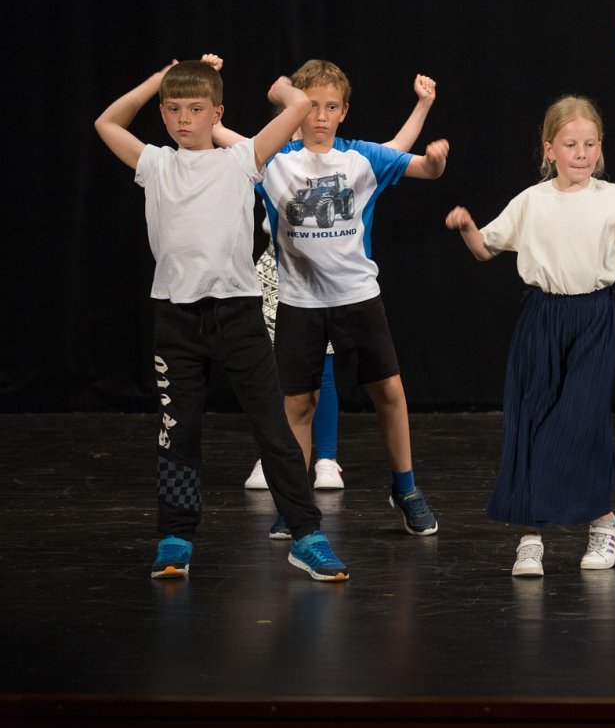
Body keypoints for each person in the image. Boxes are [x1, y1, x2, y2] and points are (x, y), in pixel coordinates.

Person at [94, 56, 349, 581]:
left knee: (273, 429)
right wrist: (158, 79)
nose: (183, 119)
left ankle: (306, 534)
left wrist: (279, 88)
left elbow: (298, 103)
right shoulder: (156, 163)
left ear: (217, 114)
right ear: (162, 113)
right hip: (176, 319)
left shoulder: (242, 159)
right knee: (178, 432)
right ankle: (175, 536)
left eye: (195, 109)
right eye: (173, 109)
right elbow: (107, 122)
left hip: (237, 314)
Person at [446, 96, 615, 576]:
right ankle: (530, 538)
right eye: (570, 144)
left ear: (600, 147)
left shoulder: (613, 198)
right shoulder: (531, 201)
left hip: (592, 318)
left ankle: (603, 523)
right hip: (542, 318)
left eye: (590, 144)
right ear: (549, 149)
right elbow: (485, 249)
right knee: (530, 420)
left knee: (580, 421)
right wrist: (466, 228)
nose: (581, 153)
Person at [218, 59, 449, 537]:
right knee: (297, 405)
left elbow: (423, 168)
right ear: (296, 109)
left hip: (358, 298)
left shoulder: (360, 157)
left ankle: (406, 489)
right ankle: (294, 504)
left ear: (344, 111)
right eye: (311, 106)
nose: (320, 116)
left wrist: (436, 159)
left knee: (389, 392)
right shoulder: (273, 158)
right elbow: (219, 135)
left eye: (330, 107)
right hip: (300, 304)